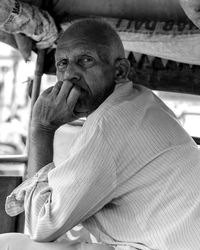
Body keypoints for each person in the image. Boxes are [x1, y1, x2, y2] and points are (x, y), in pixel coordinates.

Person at [1, 18, 200, 250]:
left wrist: (41, 129)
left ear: (120, 71)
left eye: (85, 60)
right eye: (63, 63)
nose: (70, 74)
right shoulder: (138, 101)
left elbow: (41, 226)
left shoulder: (109, 124)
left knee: (9, 244)